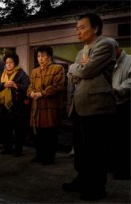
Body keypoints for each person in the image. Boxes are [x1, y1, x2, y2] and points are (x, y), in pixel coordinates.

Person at [62, 13, 116, 201]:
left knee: (95, 149)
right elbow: (76, 76)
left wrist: (75, 68)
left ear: (95, 28)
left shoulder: (105, 44)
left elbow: (87, 70)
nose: (78, 31)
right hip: (79, 105)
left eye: (82, 27)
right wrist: (78, 68)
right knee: (81, 148)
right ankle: (82, 179)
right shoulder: (81, 51)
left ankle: (96, 187)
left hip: (97, 106)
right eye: (77, 28)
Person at [27, 45, 65, 165]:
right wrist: (31, 93)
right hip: (37, 107)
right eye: (38, 56)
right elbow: (29, 86)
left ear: (49, 57)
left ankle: (49, 158)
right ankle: (39, 155)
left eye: (43, 56)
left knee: (50, 134)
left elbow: (57, 86)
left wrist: (42, 93)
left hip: (50, 107)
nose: (40, 59)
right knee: (38, 134)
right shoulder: (34, 71)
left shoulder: (57, 68)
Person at [0, 52, 30, 156]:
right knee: (6, 128)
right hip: (3, 105)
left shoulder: (21, 73)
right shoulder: (2, 73)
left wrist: (15, 85)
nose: (8, 64)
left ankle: (18, 150)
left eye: (11, 62)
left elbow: (27, 86)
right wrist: (3, 84)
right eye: (7, 62)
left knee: (18, 129)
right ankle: (8, 148)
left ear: (15, 63)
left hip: (17, 105)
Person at [110, 40, 131, 180]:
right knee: (112, 139)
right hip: (110, 105)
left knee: (124, 140)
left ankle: (125, 170)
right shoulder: (108, 62)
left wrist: (117, 90)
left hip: (125, 104)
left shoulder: (129, 60)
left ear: (118, 48)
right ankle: (114, 166)